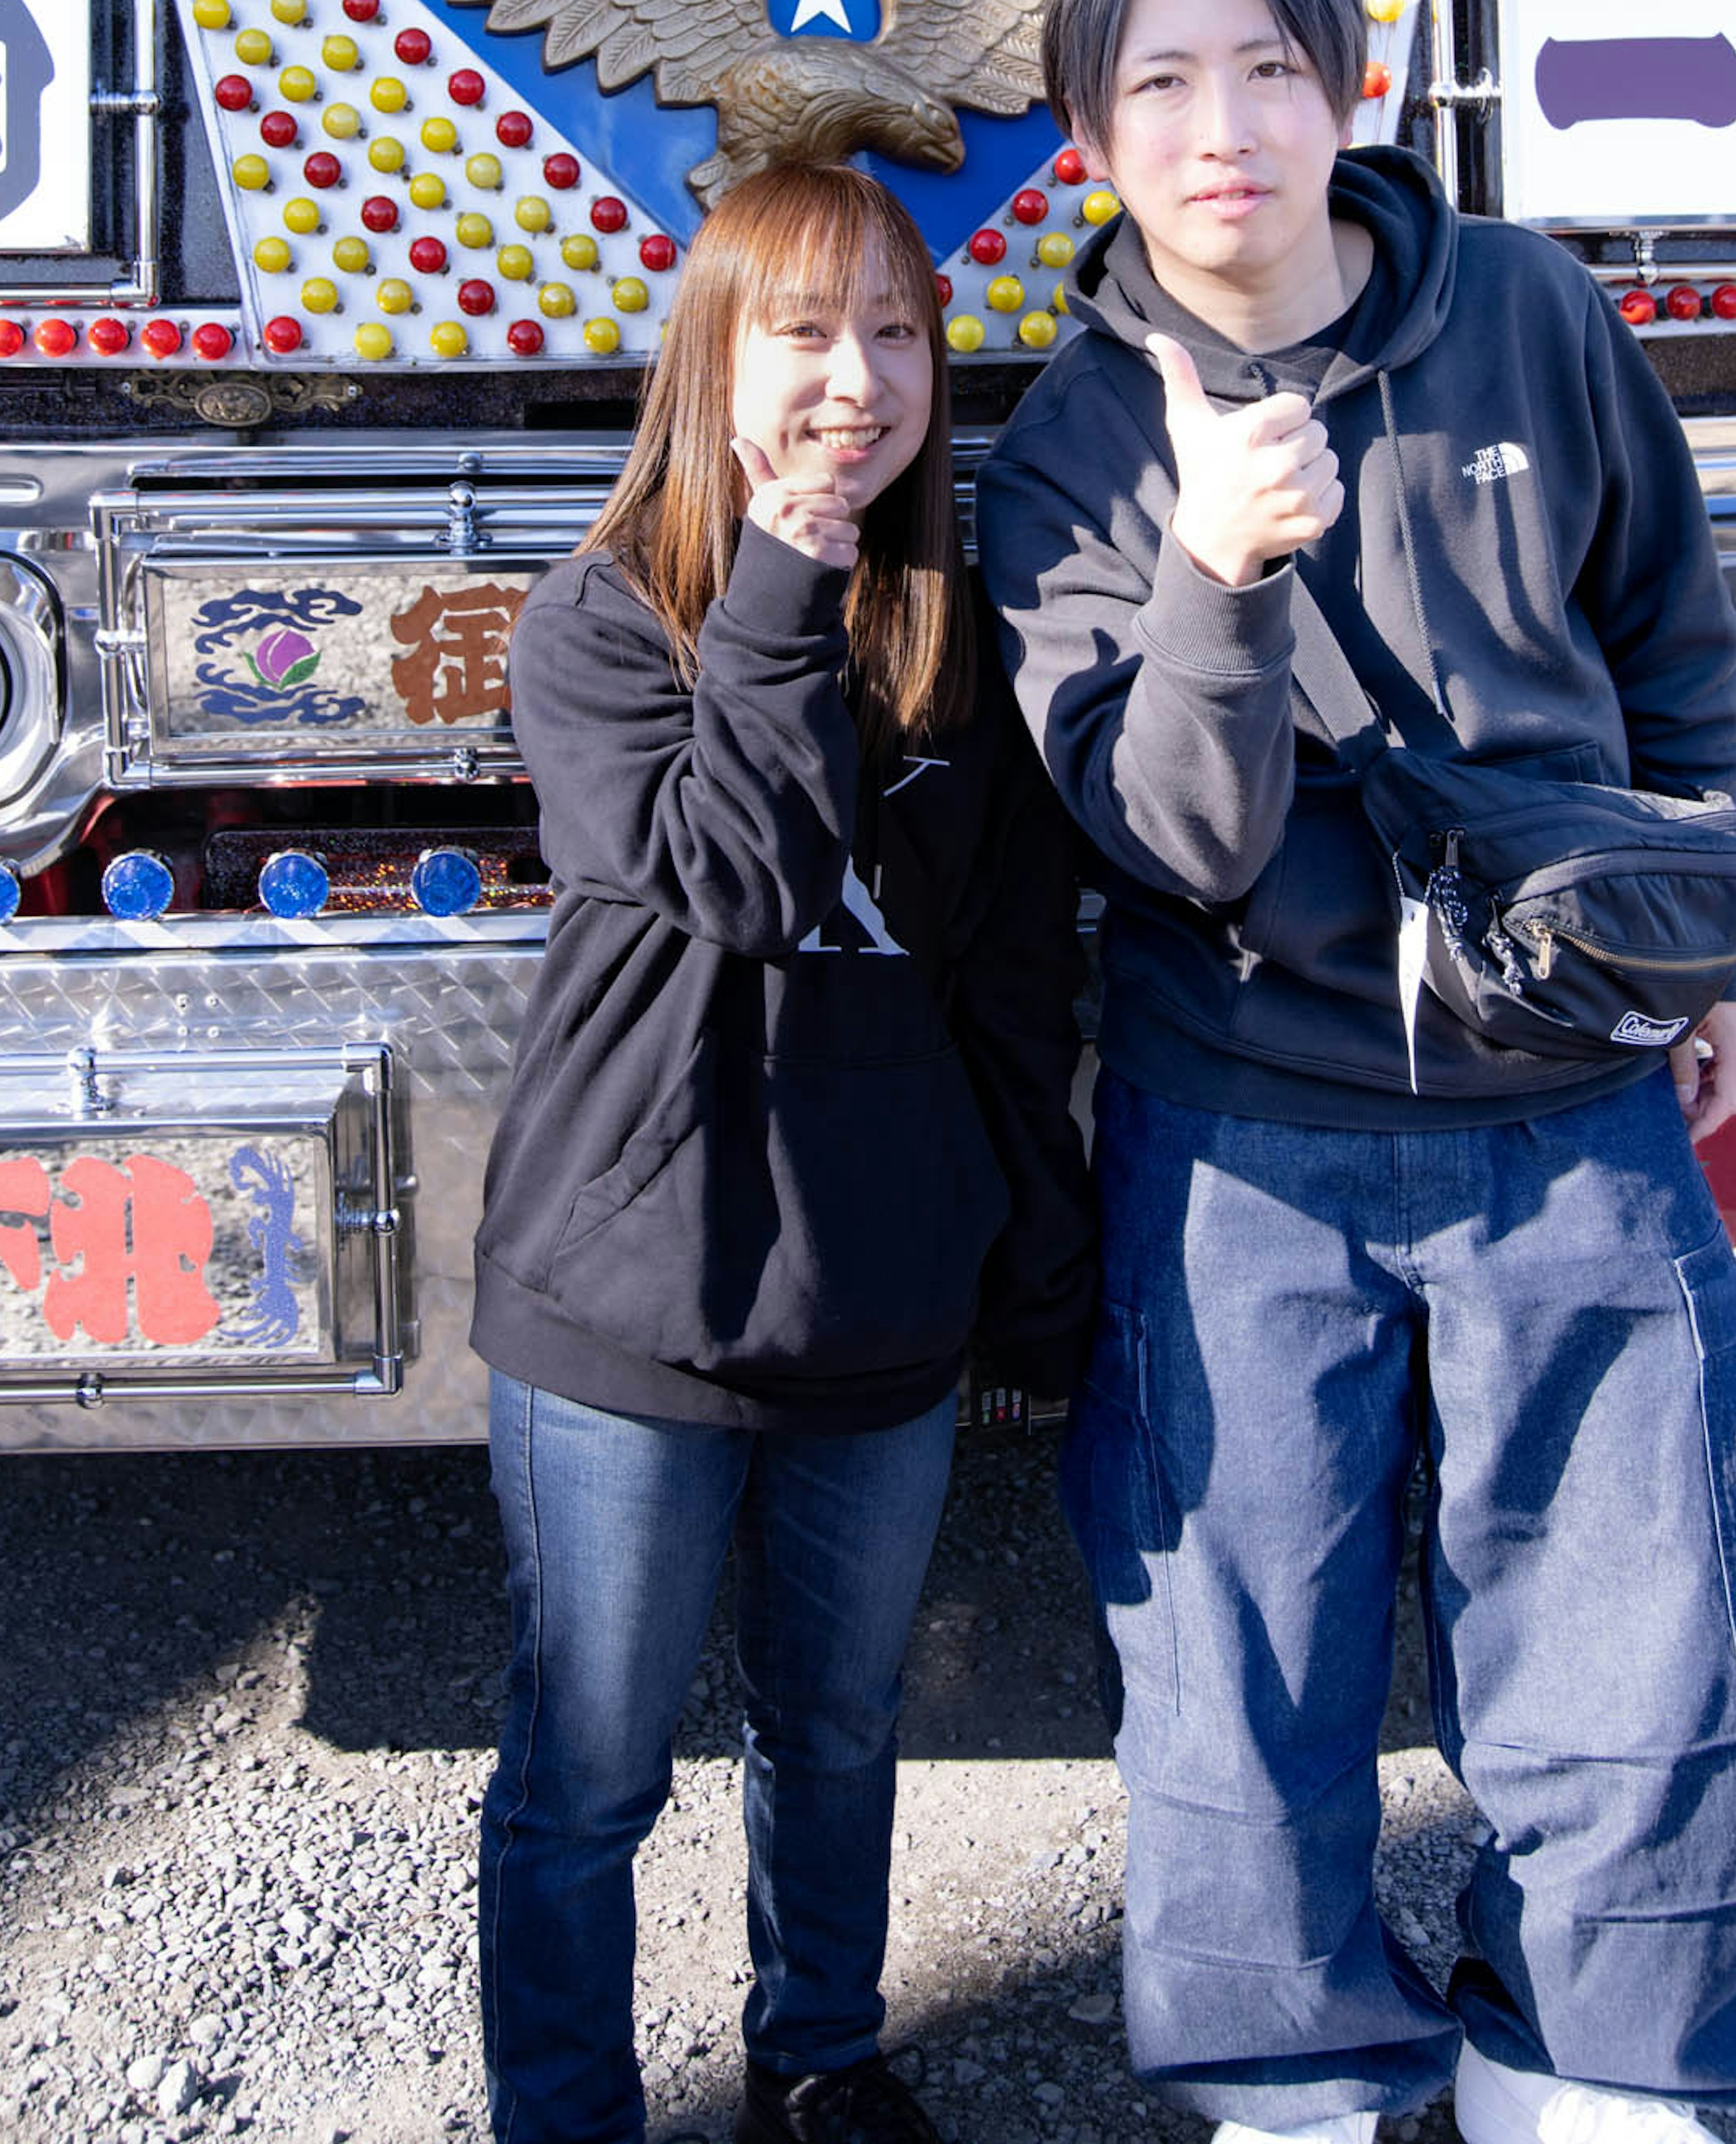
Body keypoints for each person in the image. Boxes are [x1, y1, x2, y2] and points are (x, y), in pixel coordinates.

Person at [975, 0, 1736, 2144]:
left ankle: (1595, 2074)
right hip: (1244, 1132)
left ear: (1349, 83)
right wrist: (1221, 573)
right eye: (1159, 82)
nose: (1219, 122)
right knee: (1240, 1667)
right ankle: (1294, 2079)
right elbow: (1172, 842)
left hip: (1572, 1101)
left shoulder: (1526, 309)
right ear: (1093, 133)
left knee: (1652, 1630)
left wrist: (1710, 932)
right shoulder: (1070, 452)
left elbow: (1670, 635)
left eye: (1265, 63)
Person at [475, 160, 1095, 2144]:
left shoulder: (957, 647)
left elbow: (1007, 984)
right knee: (588, 1769)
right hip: (623, 1293)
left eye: (897, 331)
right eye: (804, 331)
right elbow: (740, 880)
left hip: (878, 1300)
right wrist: (777, 581)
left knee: (837, 1729)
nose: (857, 375)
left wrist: (1035, 1263)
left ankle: (818, 2055)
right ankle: (564, 2105)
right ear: (712, 360)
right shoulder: (592, 625)